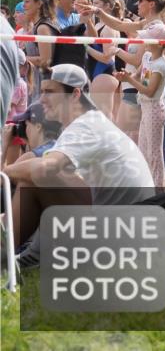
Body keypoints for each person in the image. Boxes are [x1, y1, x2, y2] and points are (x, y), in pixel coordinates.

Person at [6, 64, 154, 248]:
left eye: (50, 92)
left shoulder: (85, 127)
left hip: (123, 234)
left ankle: (9, 255)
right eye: (42, 92)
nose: (41, 99)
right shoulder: (91, 121)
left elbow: (43, 170)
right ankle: (16, 254)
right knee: (38, 175)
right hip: (131, 227)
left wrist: (5, 173)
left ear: (75, 94)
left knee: (34, 178)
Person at [114, 17, 165, 188]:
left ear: (159, 44)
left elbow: (149, 90)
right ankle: (148, 185)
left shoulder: (160, 65)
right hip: (147, 107)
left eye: (148, 39)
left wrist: (129, 80)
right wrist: (126, 76)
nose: (144, 41)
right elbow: (138, 75)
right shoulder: (147, 56)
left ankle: (158, 188)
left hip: (154, 108)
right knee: (144, 149)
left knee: (154, 153)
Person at [21, 0, 58, 103]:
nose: (23, 5)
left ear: (39, 4)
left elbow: (45, 60)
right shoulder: (37, 26)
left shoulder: (43, 27)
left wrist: (21, 58)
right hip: (36, 81)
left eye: (27, 2)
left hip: (43, 83)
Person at [2, 103, 62, 169]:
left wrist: (4, 145)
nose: (25, 129)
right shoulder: (60, 149)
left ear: (38, 127)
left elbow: (3, 175)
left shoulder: (30, 157)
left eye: (26, 125)